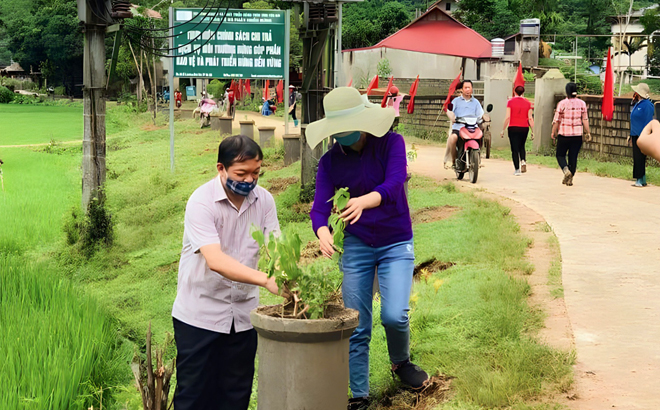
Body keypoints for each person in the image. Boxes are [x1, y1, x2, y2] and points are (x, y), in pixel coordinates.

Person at [307, 87, 429, 410]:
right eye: (338, 134)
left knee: (394, 315)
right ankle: (359, 396)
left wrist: (364, 200)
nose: (343, 139)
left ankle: (400, 364)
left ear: (364, 123)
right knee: (356, 323)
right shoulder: (330, 162)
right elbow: (319, 208)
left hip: (395, 240)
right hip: (357, 246)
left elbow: (393, 184)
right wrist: (322, 232)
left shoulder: (391, 143)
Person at [172, 135, 281, 410]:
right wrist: (266, 280)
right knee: (194, 396)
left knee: (235, 395)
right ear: (221, 168)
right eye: (241, 173)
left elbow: (275, 247)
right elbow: (216, 260)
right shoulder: (201, 202)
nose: (249, 180)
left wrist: (283, 273)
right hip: (200, 315)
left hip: (243, 317)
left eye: (256, 173)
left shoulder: (264, 201)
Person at [551, 82, 592, 186]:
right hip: (577, 135)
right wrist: (588, 132)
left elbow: (556, 120)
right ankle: (570, 178)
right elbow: (585, 119)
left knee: (560, 155)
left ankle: (566, 171)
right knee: (573, 156)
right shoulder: (582, 103)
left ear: (567, 92)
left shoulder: (562, 103)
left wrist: (553, 132)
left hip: (564, 134)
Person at [447, 80, 484, 169]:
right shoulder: (456, 101)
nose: (467, 89)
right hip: (459, 127)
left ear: (472, 89)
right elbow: (449, 111)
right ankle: (454, 160)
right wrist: (452, 117)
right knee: (453, 138)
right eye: (465, 87)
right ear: (462, 89)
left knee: (481, 136)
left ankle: (478, 157)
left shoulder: (476, 102)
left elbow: (480, 114)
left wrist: (485, 117)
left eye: (469, 87)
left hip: (472, 127)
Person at [500, 86, 535, 175]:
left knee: (514, 149)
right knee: (521, 146)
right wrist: (533, 131)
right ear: (523, 92)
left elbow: (508, 117)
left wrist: (503, 129)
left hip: (513, 127)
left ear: (514, 92)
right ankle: (523, 160)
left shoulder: (510, 102)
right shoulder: (528, 103)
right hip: (524, 128)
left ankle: (517, 169)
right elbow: (530, 118)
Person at [628, 83, 654, 187]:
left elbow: (647, 121)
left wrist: (645, 135)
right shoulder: (638, 104)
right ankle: (641, 178)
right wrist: (630, 135)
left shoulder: (647, 105)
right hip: (635, 134)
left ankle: (640, 179)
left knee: (640, 157)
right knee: (637, 156)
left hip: (642, 135)